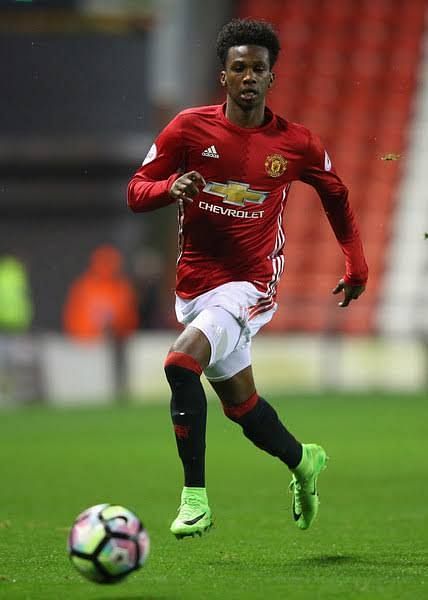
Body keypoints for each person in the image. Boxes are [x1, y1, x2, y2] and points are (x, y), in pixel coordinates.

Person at [127, 18, 368, 539]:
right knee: (242, 409)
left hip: (250, 285)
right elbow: (135, 190)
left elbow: (338, 196)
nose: (250, 77)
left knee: (179, 362)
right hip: (194, 286)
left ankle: (195, 499)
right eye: (240, 68)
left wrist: (356, 263)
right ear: (225, 76)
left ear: (271, 77)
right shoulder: (189, 128)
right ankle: (304, 461)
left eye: (259, 69)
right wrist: (171, 186)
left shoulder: (296, 143)